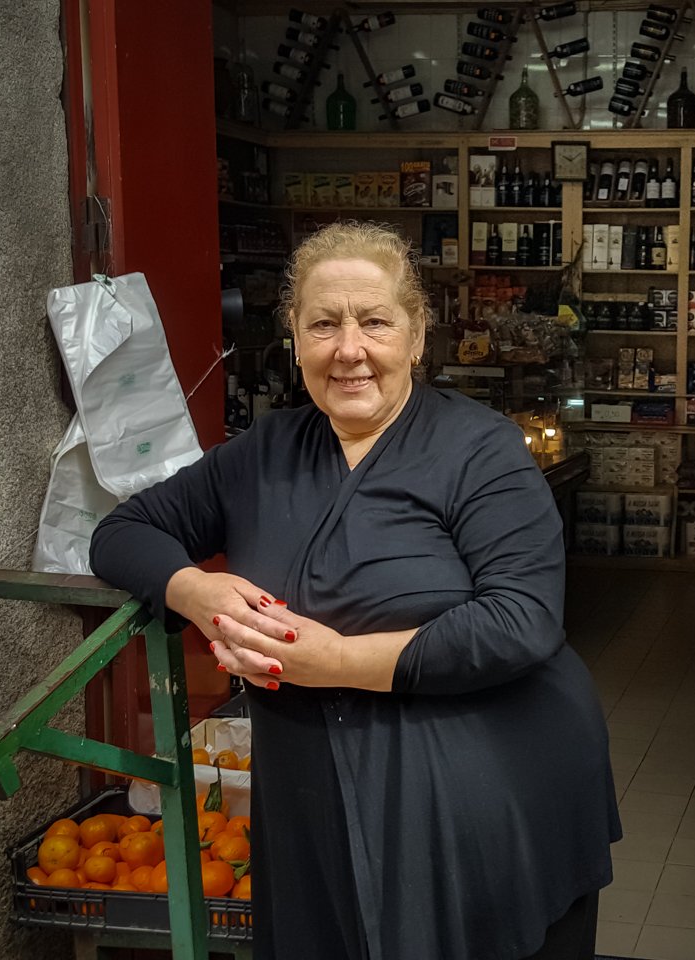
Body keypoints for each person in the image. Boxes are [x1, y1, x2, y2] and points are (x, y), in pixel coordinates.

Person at [90, 221, 620, 960]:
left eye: (374, 322)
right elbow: (123, 533)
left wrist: (335, 660)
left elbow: (521, 620)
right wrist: (194, 591)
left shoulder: (480, 450)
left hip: (483, 797)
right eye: (323, 324)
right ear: (294, 338)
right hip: (314, 794)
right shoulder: (266, 453)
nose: (349, 350)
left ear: (416, 333)